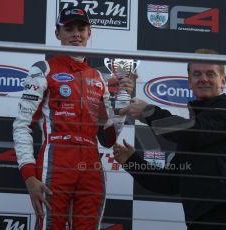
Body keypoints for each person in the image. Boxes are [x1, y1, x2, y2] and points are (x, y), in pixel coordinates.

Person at [13, 7, 135, 230]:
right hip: (56, 161)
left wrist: (123, 103)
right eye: (68, 29)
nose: (76, 34)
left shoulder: (98, 77)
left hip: (90, 164)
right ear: (58, 33)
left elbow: (107, 138)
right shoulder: (43, 69)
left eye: (81, 28)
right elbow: (22, 125)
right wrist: (29, 176)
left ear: (90, 33)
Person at [113, 49, 226, 230]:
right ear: (189, 81)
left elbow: (195, 132)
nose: (203, 79)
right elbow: (169, 182)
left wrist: (148, 112)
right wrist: (131, 160)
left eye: (210, 74)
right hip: (199, 219)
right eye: (196, 74)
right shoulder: (193, 126)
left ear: (223, 81)